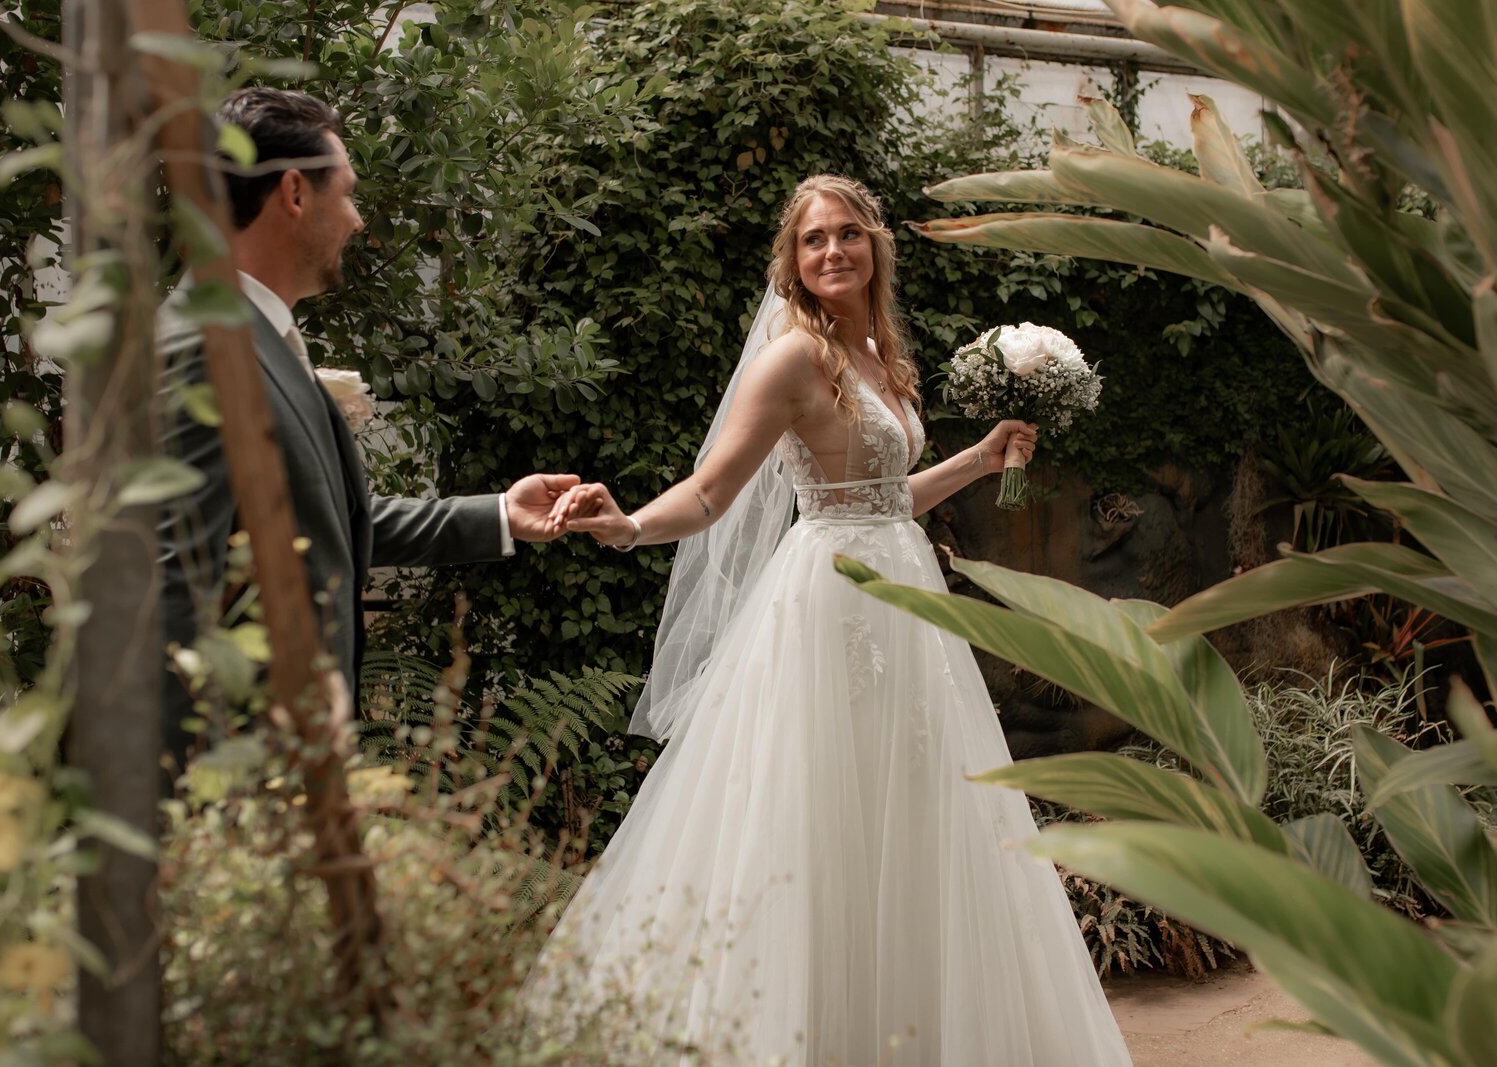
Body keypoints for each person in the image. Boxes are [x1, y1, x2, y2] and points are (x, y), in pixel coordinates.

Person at [524, 175, 1132, 1064]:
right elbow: (710, 491)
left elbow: (885, 500)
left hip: (906, 605)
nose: (833, 251)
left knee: (915, 815)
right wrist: (628, 528)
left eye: (848, 233)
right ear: (794, 262)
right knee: (818, 815)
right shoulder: (795, 360)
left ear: (875, 246)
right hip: (830, 605)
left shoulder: (881, 354)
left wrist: (981, 455)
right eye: (813, 240)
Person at [156, 88, 577, 761]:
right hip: (244, 774)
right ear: (294, 193)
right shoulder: (202, 352)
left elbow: (328, 521)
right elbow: (174, 591)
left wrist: (499, 513)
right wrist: (201, 821)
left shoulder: (254, 335)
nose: (356, 220)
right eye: (347, 193)